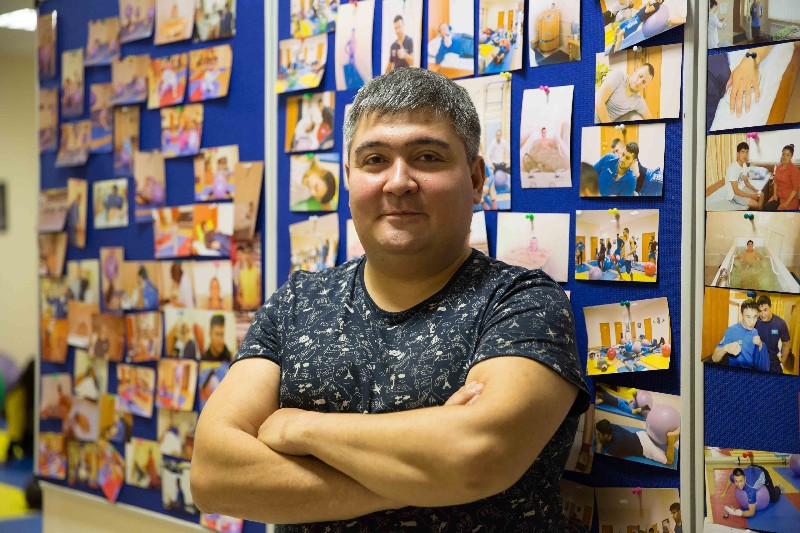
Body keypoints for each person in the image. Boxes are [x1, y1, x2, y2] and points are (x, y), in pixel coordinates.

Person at [192, 67, 589, 530]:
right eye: (375, 159)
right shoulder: (297, 301)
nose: (398, 181)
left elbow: (477, 457)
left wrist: (299, 427)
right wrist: (430, 472)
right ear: (349, 178)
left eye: (427, 157)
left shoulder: (523, 303)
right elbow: (214, 476)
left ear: (476, 178)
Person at [709, 298, 769, 371]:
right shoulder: (731, 331)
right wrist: (726, 348)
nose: (752, 322)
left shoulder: (755, 331)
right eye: (748, 317)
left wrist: (760, 344)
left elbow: (756, 355)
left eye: (755, 317)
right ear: (741, 315)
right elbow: (714, 358)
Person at [594, 419, 678, 465]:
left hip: (645, 447)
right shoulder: (611, 426)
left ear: (605, 435)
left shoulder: (615, 445)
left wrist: (598, 444)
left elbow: (601, 462)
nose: (597, 435)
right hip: (641, 434)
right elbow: (598, 424)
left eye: (599, 434)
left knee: (669, 461)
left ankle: (671, 439)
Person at [755, 295, 790, 374]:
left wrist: (782, 364)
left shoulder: (780, 323)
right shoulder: (755, 322)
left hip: (773, 361)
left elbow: (786, 344)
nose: (763, 314)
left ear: (771, 307)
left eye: (765, 310)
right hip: (758, 359)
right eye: (760, 311)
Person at [726, 142, 764, 209]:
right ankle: (758, 211)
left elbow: (746, 181)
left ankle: (760, 212)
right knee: (755, 204)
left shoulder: (744, 165)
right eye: (742, 152)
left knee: (761, 194)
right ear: (737, 154)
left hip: (742, 189)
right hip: (734, 194)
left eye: (747, 152)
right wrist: (751, 196)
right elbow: (736, 191)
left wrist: (755, 189)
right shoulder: (732, 168)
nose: (745, 155)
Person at [765, 144, 799, 211]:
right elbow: (775, 182)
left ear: (791, 156)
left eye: (787, 155)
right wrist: (774, 194)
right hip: (778, 196)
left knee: (780, 215)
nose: (784, 157)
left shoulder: (794, 169)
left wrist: (786, 203)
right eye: (783, 154)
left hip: (790, 199)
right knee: (766, 208)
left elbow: (795, 190)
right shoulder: (778, 167)